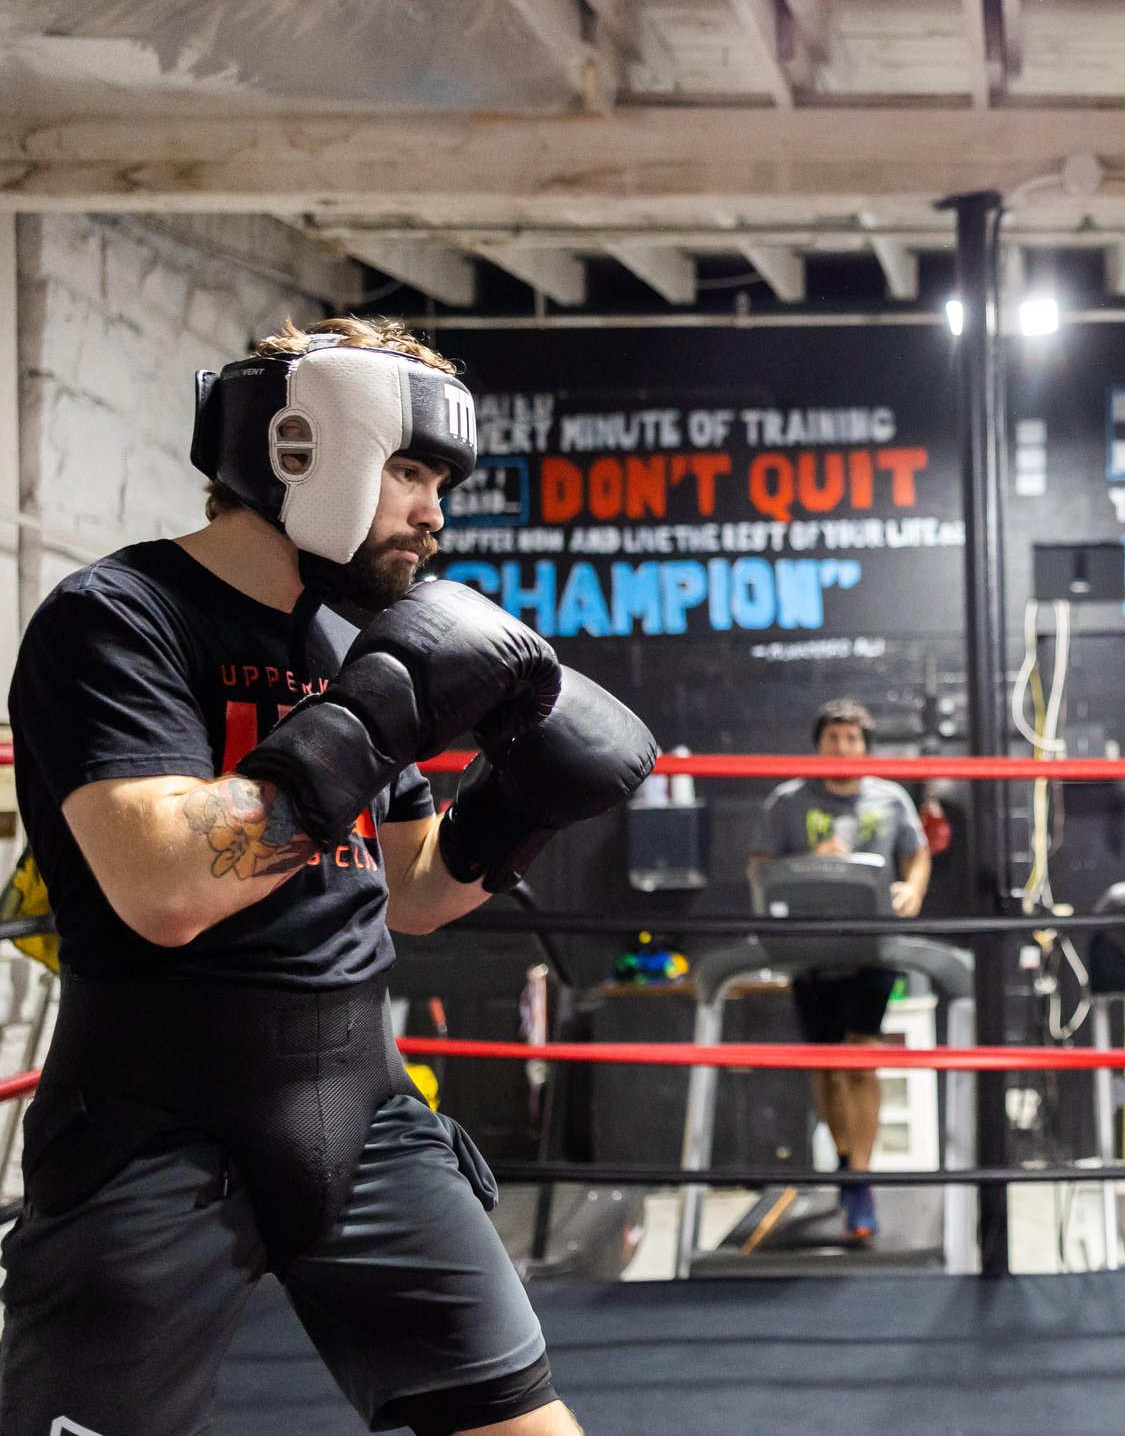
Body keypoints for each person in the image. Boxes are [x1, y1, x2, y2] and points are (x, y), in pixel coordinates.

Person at [2, 320, 654, 1436]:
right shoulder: (118, 617)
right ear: (298, 447)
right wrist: (373, 713)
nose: (434, 513)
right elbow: (165, 887)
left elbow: (411, 888)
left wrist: (522, 803)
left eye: (441, 482)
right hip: (151, 1116)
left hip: (362, 1105)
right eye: (410, 471)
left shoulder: (347, 646)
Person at [748, 697, 929, 1243]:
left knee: (860, 1058)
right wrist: (809, 864)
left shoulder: (890, 798)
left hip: (872, 942)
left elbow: (917, 853)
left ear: (865, 747)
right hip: (811, 946)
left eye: (852, 738)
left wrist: (912, 888)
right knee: (827, 1064)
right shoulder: (788, 801)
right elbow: (759, 867)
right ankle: (848, 1160)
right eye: (833, 737)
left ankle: (860, 1179)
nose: (842, 747)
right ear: (819, 744)